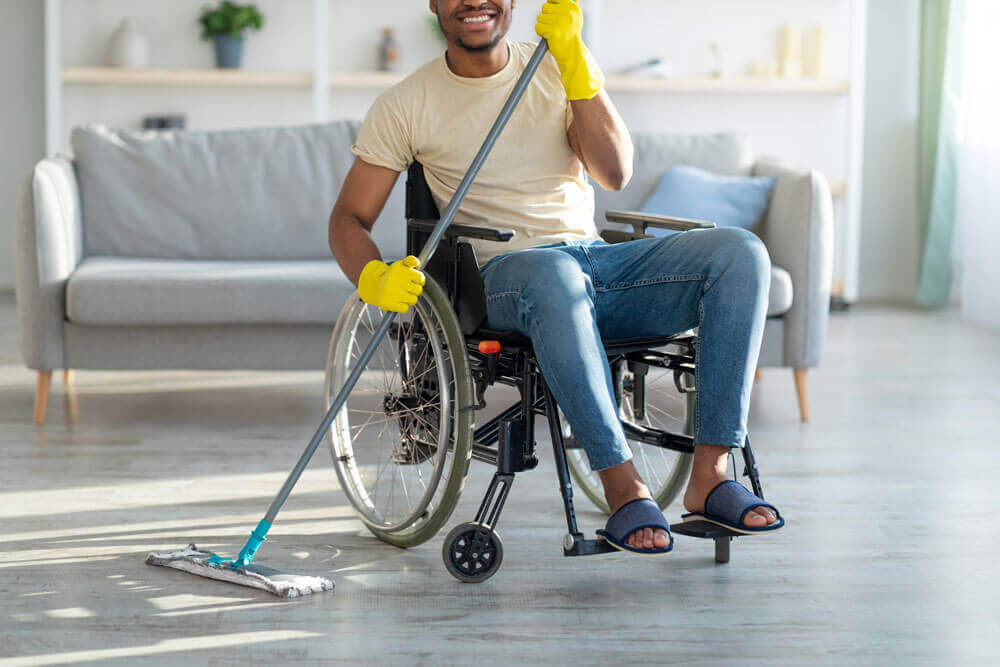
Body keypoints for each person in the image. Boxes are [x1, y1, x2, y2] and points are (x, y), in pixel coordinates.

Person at [329, 0, 783, 555]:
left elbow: (614, 173)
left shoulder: (554, 64)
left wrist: (577, 67)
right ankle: (624, 486)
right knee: (552, 275)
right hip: (504, 278)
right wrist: (371, 276)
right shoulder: (405, 104)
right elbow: (347, 220)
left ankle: (710, 474)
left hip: (592, 261)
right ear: (434, 4)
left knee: (741, 253)